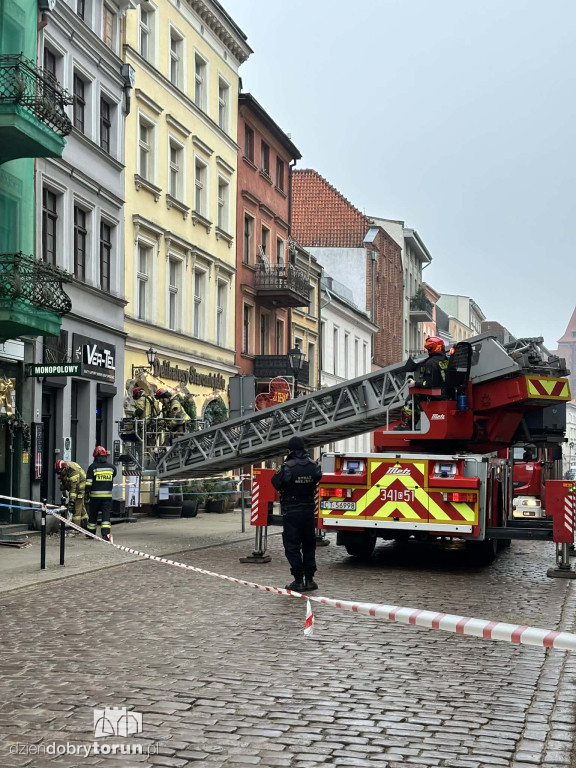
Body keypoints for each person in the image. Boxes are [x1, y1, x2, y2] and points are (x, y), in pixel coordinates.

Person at [272, 436, 323, 592]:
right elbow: (317, 478)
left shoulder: (286, 467)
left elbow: (275, 482)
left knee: (292, 546)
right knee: (309, 545)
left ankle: (298, 580)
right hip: (308, 510)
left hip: (292, 510)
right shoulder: (313, 466)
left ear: (290, 450)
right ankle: (310, 580)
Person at [396, 336, 449, 430]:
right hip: (446, 393)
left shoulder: (431, 363)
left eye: (428, 349)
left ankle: (407, 424)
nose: (427, 351)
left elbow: (428, 384)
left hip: (435, 396)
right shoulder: (446, 360)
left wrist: (415, 384)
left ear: (432, 348)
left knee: (412, 397)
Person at [84, 446, 117, 541]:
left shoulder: (92, 467)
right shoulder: (111, 467)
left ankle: (91, 533)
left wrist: (86, 493)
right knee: (106, 515)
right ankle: (105, 534)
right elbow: (114, 474)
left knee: (93, 514)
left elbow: (89, 482)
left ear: (95, 456)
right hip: (107, 497)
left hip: (94, 497)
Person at [55, 459, 88, 529]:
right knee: (81, 506)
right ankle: (86, 523)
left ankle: (76, 527)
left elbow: (74, 488)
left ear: (64, 469)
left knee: (76, 506)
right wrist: (63, 489)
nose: (60, 474)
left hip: (80, 486)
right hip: (75, 486)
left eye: (61, 472)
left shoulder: (73, 471)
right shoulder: (64, 469)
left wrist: (71, 502)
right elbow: (63, 479)